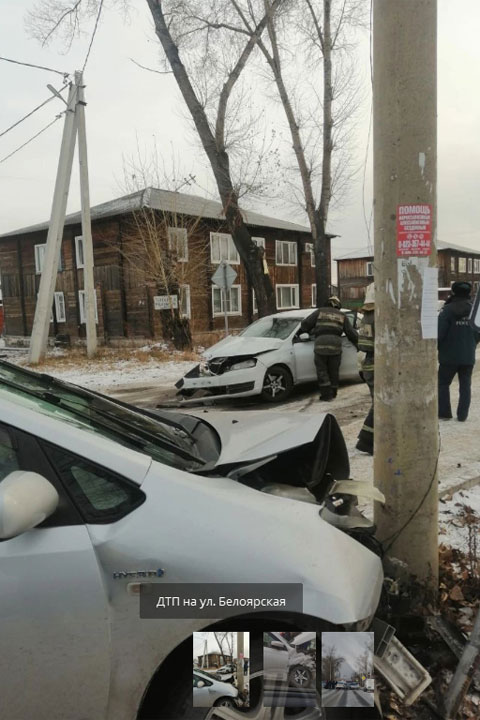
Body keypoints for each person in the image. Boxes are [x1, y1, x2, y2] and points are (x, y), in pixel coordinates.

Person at [300, 296, 358, 401]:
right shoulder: (342, 315)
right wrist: (358, 345)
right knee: (333, 370)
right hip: (335, 346)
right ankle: (334, 392)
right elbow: (351, 333)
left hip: (320, 346)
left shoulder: (319, 312)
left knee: (322, 370)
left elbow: (305, 324)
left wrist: (307, 331)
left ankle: (326, 395)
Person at [438, 281, 480, 421]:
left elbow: (440, 333)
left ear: (453, 292)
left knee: (443, 383)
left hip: (448, 356)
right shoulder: (474, 311)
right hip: (467, 355)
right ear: (468, 293)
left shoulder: (447, 310)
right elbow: (478, 332)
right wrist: (471, 344)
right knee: (465, 385)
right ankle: (462, 415)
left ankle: (444, 413)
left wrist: (439, 347)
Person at [355, 283, 375, 455]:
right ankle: (367, 441)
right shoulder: (379, 316)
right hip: (377, 364)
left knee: (378, 403)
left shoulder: (366, 316)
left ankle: (369, 440)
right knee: (381, 404)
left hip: (368, 362)